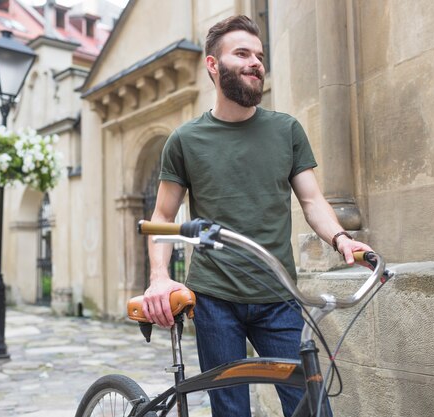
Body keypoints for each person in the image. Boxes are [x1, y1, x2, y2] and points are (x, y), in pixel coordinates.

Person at [142, 15, 373, 417]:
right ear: (213, 66)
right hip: (215, 299)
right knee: (231, 411)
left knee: (310, 407)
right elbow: (163, 217)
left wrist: (341, 239)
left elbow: (313, 201)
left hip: (278, 296)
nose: (256, 63)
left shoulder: (286, 130)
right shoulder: (186, 140)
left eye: (260, 56)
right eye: (242, 53)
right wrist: (159, 277)